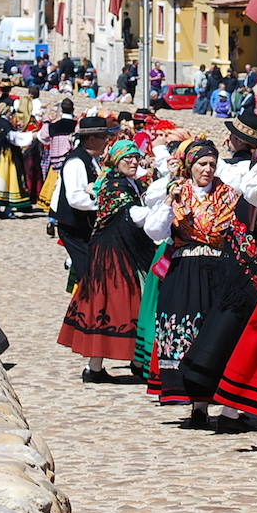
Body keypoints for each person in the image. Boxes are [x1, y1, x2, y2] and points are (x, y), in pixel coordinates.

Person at [141, 139, 257, 428]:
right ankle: (193, 403)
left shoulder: (228, 194)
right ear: (190, 166)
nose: (208, 169)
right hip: (185, 271)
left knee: (213, 333)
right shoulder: (177, 192)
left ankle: (211, 403)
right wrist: (167, 205)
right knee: (186, 331)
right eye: (202, 164)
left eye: (212, 164)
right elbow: (154, 231)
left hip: (219, 270)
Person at [58, 139, 160, 381]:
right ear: (116, 161)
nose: (134, 162)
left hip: (119, 248)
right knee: (118, 302)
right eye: (128, 158)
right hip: (114, 253)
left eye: (136, 158)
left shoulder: (122, 182)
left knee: (119, 302)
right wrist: (163, 211)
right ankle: (102, 367)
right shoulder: (116, 186)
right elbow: (133, 215)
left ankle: (119, 363)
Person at [53, 117, 116, 288]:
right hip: (75, 228)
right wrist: (105, 201)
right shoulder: (76, 162)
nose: (107, 141)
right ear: (91, 139)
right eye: (103, 137)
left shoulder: (91, 160)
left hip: (84, 226)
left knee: (91, 269)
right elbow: (75, 198)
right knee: (89, 274)